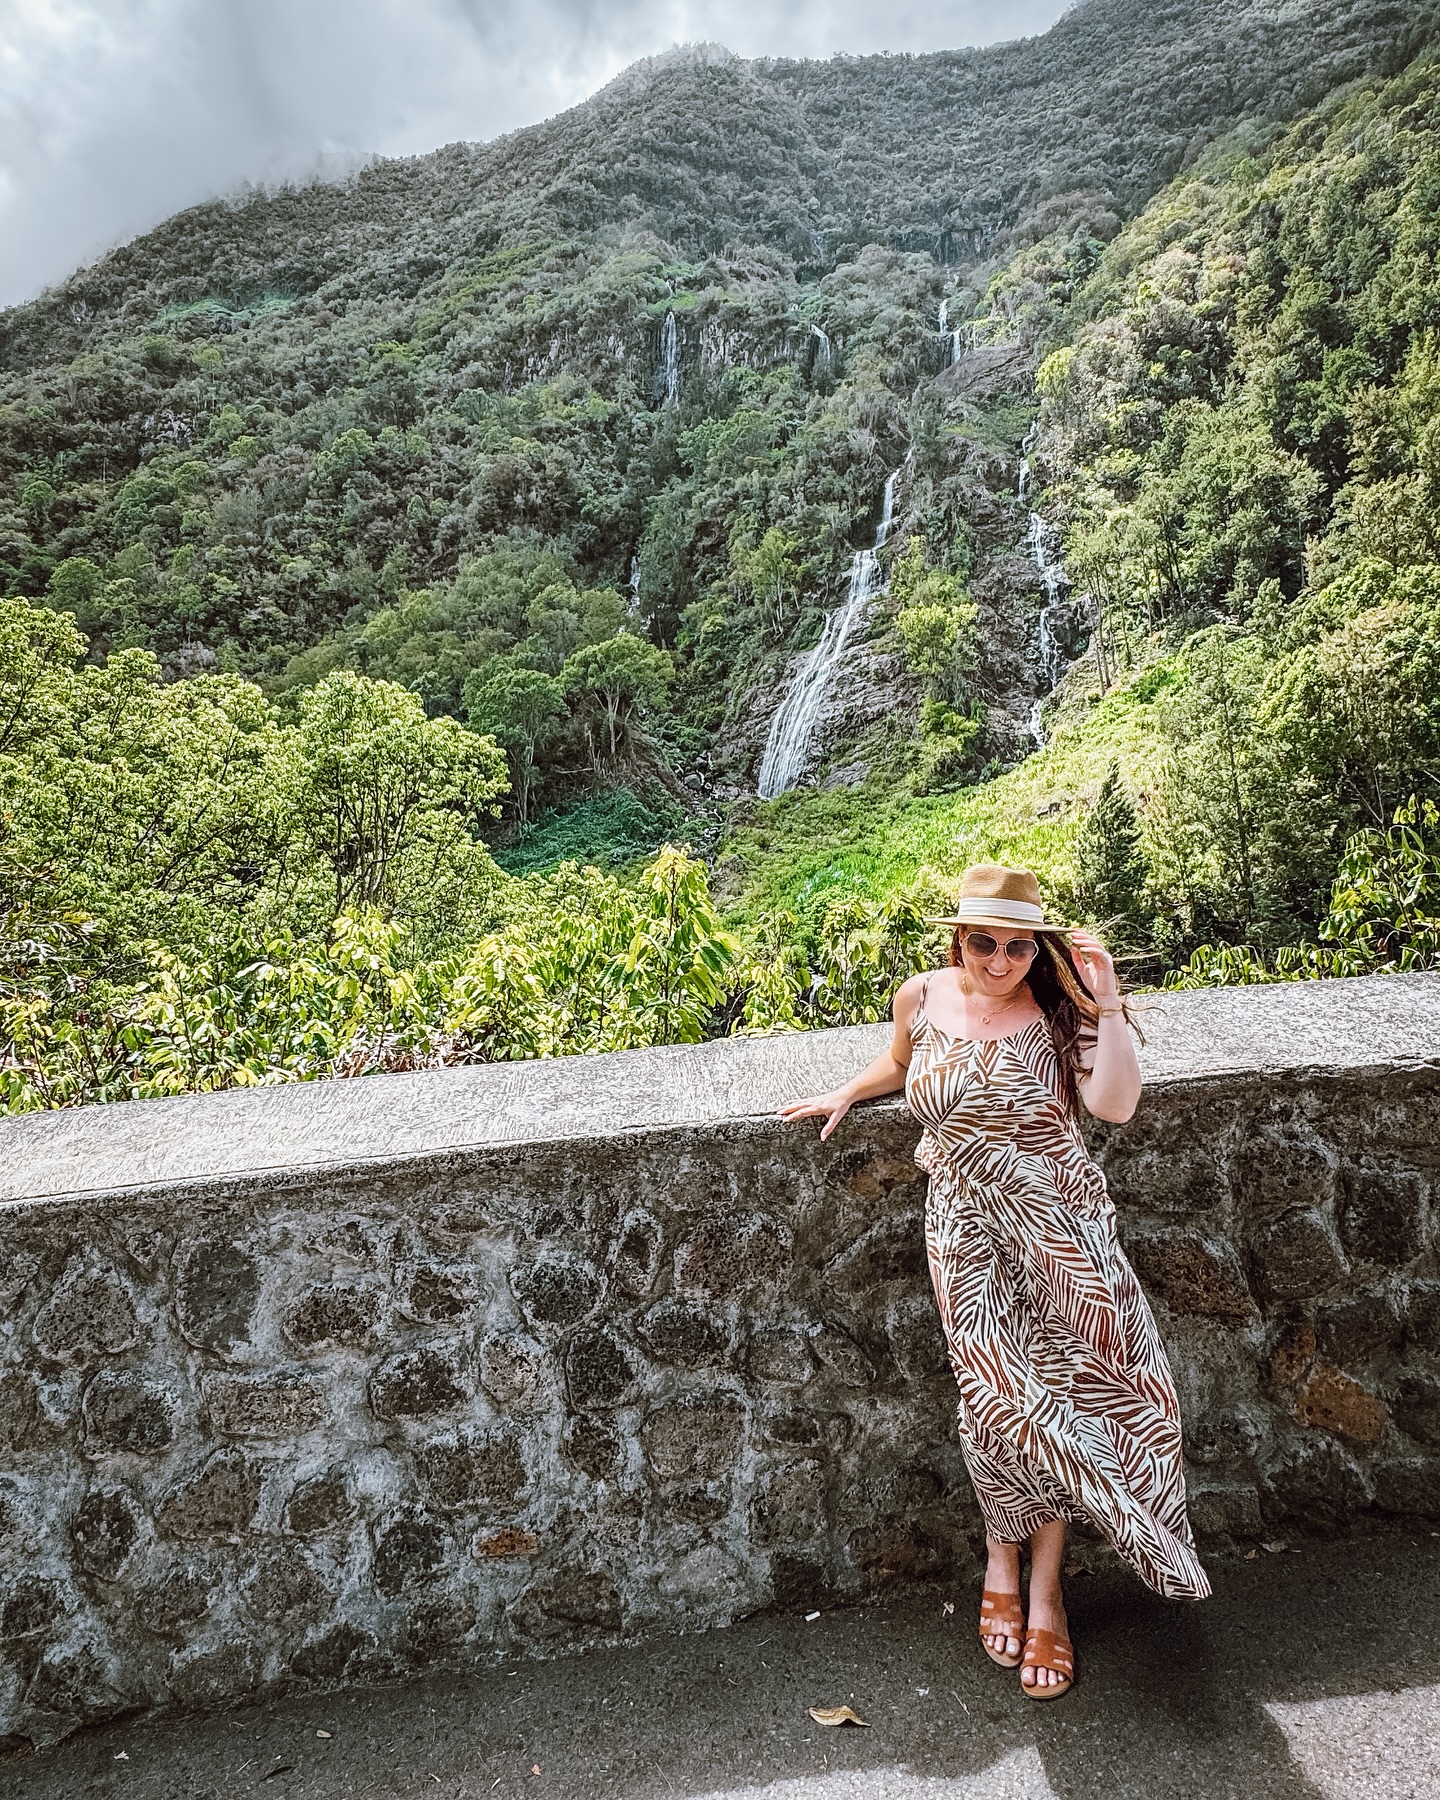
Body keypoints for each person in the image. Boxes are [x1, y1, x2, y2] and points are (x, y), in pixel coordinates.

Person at [780, 863, 1209, 1700]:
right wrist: (846, 1089)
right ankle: (999, 1553)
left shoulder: (1059, 1011)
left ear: (1037, 946)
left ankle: (1041, 1586)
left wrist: (1108, 994)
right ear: (959, 939)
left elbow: (1115, 1104)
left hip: (1061, 1234)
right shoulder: (921, 995)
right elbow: (903, 1065)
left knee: (1069, 1395)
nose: (1002, 959)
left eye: (1019, 945)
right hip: (966, 1235)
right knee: (998, 1401)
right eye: (985, 942)